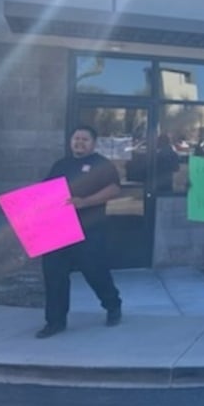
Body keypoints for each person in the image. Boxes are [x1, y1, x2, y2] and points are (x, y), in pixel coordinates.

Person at [36, 125, 123, 339]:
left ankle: (113, 305)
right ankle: (55, 322)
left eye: (85, 139)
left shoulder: (101, 164)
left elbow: (114, 189)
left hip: (89, 229)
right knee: (54, 275)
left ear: (93, 143)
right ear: (70, 141)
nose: (79, 142)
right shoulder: (60, 164)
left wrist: (84, 202)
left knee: (95, 272)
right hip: (57, 230)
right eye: (76, 139)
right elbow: (45, 192)